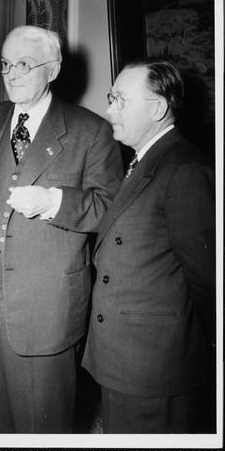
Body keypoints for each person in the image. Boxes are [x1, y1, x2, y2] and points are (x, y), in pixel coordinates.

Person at [0, 25, 123, 433]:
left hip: (43, 298)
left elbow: (111, 210)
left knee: (41, 422)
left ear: (52, 70)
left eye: (24, 65)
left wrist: (55, 202)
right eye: (6, 64)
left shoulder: (91, 130)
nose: (11, 74)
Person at [82, 59, 216, 433]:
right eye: (111, 98)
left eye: (120, 100)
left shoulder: (184, 169)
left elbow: (209, 279)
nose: (109, 110)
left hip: (156, 365)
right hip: (128, 359)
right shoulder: (144, 160)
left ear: (157, 108)